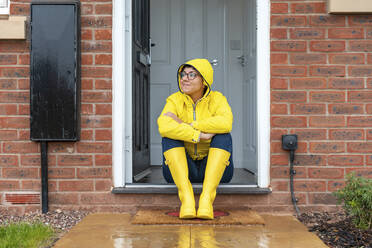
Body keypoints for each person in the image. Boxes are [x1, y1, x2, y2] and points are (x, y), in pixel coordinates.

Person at [157, 58, 234, 219]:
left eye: (192, 75)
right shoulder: (174, 100)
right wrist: (197, 136)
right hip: (181, 171)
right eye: (183, 74)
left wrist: (189, 124)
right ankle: (187, 199)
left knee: (223, 136)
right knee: (169, 137)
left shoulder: (218, 99)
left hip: (216, 171)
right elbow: (164, 126)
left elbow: (226, 123)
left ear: (204, 80)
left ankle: (206, 200)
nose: (184, 78)